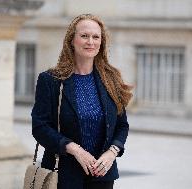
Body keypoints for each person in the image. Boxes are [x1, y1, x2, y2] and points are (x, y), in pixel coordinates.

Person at [31, 14, 133, 189]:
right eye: (84, 36)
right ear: (72, 40)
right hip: (62, 174)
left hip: (102, 175)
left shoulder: (111, 79)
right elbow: (40, 127)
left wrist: (112, 152)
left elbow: (122, 125)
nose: (90, 42)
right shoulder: (51, 80)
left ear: (102, 42)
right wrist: (75, 150)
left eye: (96, 37)